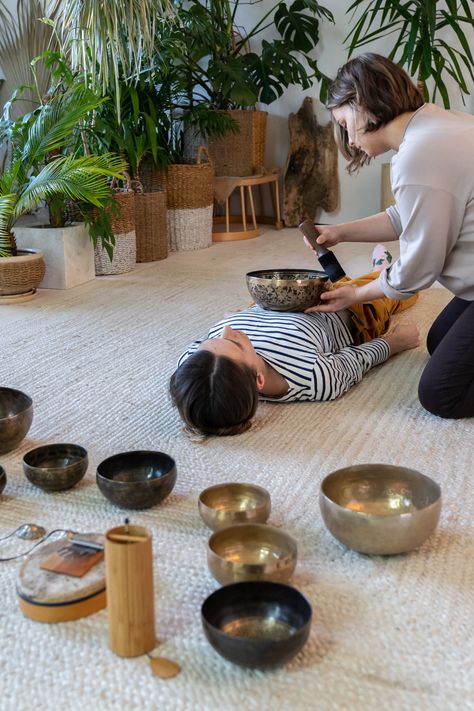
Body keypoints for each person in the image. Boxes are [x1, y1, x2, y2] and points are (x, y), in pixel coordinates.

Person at [306, 52, 474, 419]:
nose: (349, 140)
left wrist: (356, 294)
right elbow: (410, 216)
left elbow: (419, 268)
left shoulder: (420, 154)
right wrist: (340, 232)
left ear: (363, 103)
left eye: (344, 122)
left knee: (441, 394)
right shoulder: (433, 125)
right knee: (438, 341)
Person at [169, 251, 419, 437]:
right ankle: (382, 269)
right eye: (235, 344)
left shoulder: (192, 364)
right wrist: (394, 343)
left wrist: (239, 319)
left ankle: (364, 273)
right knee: (394, 288)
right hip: (346, 312)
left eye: (211, 340)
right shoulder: (313, 377)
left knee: (345, 281)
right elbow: (357, 359)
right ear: (258, 380)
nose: (227, 330)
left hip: (263, 306)